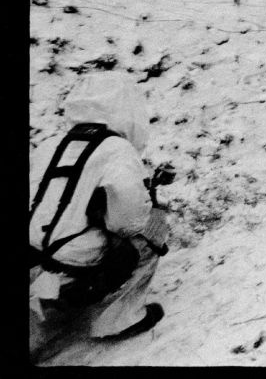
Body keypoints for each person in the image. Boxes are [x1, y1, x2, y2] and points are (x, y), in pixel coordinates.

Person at [29, 73, 172, 360]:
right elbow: (128, 220)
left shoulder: (49, 144)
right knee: (153, 227)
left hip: (32, 253)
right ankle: (117, 319)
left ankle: (45, 307)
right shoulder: (117, 149)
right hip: (75, 260)